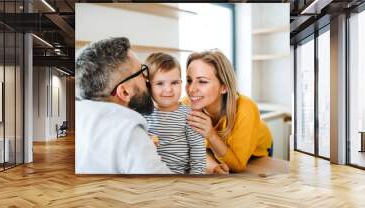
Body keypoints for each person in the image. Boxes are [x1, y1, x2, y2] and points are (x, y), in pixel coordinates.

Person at [75, 37, 171, 174]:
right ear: (125, 92)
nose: (147, 79)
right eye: (141, 72)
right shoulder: (128, 129)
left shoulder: (79, 116)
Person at [184, 50, 273, 173]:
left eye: (202, 81)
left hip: (254, 152)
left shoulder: (246, 108)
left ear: (224, 87)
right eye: (189, 80)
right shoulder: (187, 104)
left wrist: (211, 134)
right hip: (214, 151)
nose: (191, 89)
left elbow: (237, 166)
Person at [143, 53, 206, 174]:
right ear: (148, 86)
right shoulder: (142, 115)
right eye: (160, 83)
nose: (168, 89)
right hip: (148, 176)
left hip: (179, 177)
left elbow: (197, 151)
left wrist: (196, 180)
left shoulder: (189, 115)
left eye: (174, 83)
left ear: (181, 83)